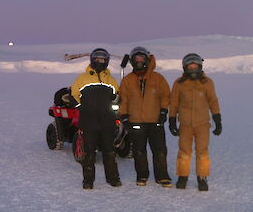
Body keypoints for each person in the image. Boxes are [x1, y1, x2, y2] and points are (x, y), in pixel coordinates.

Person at [119, 47, 172, 187]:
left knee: (160, 150)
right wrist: (124, 116)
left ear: (147, 60)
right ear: (132, 61)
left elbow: (165, 96)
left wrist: (163, 112)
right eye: (136, 59)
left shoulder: (158, 78)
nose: (139, 61)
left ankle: (162, 176)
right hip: (136, 122)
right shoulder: (127, 81)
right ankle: (142, 176)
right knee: (139, 151)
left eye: (142, 58)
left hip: (155, 121)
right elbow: (123, 100)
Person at [169, 53, 222, 191]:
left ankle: (202, 177)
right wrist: (172, 120)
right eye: (190, 66)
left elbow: (213, 101)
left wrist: (217, 119)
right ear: (185, 67)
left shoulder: (207, 82)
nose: (192, 69)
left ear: (199, 67)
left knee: (202, 151)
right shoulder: (179, 83)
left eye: (195, 66)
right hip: (185, 124)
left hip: (202, 124)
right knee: (184, 151)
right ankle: (183, 176)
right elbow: (174, 103)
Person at [71, 48, 122, 190]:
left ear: (107, 61)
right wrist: (81, 107)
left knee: (109, 151)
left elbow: (116, 96)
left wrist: (117, 102)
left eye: (103, 59)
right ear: (93, 60)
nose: (100, 62)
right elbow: (73, 94)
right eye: (97, 59)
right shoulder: (83, 78)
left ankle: (113, 178)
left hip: (107, 121)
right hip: (89, 121)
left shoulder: (111, 80)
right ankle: (88, 181)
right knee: (89, 152)